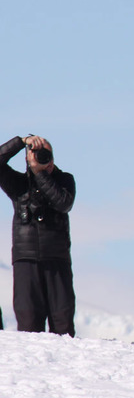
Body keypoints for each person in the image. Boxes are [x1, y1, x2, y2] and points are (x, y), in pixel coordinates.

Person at [0, 135, 76, 336]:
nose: (46, 160)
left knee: (63, 324)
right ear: (28, 158)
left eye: (48, 154)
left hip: (56, 259)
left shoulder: (65, 180)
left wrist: (40, 174)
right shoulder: (19, 184)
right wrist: (20, 142)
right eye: (39, 154)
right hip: (26, 260)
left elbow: (63, 203)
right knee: (28, 323)